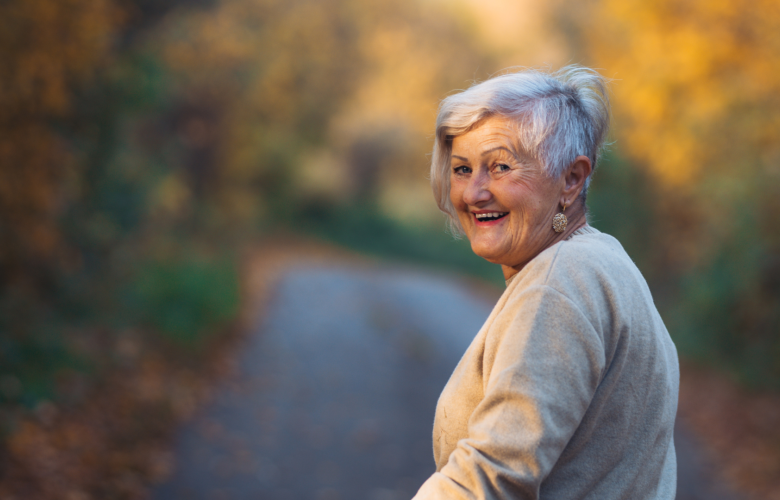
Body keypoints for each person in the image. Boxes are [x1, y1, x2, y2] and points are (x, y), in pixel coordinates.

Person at [412, 66, 679, 499]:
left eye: (500, 167)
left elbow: (491, 474)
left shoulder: (559, 283)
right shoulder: (603, 259)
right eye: (462, 169)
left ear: (571, 179)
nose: (473, 193)